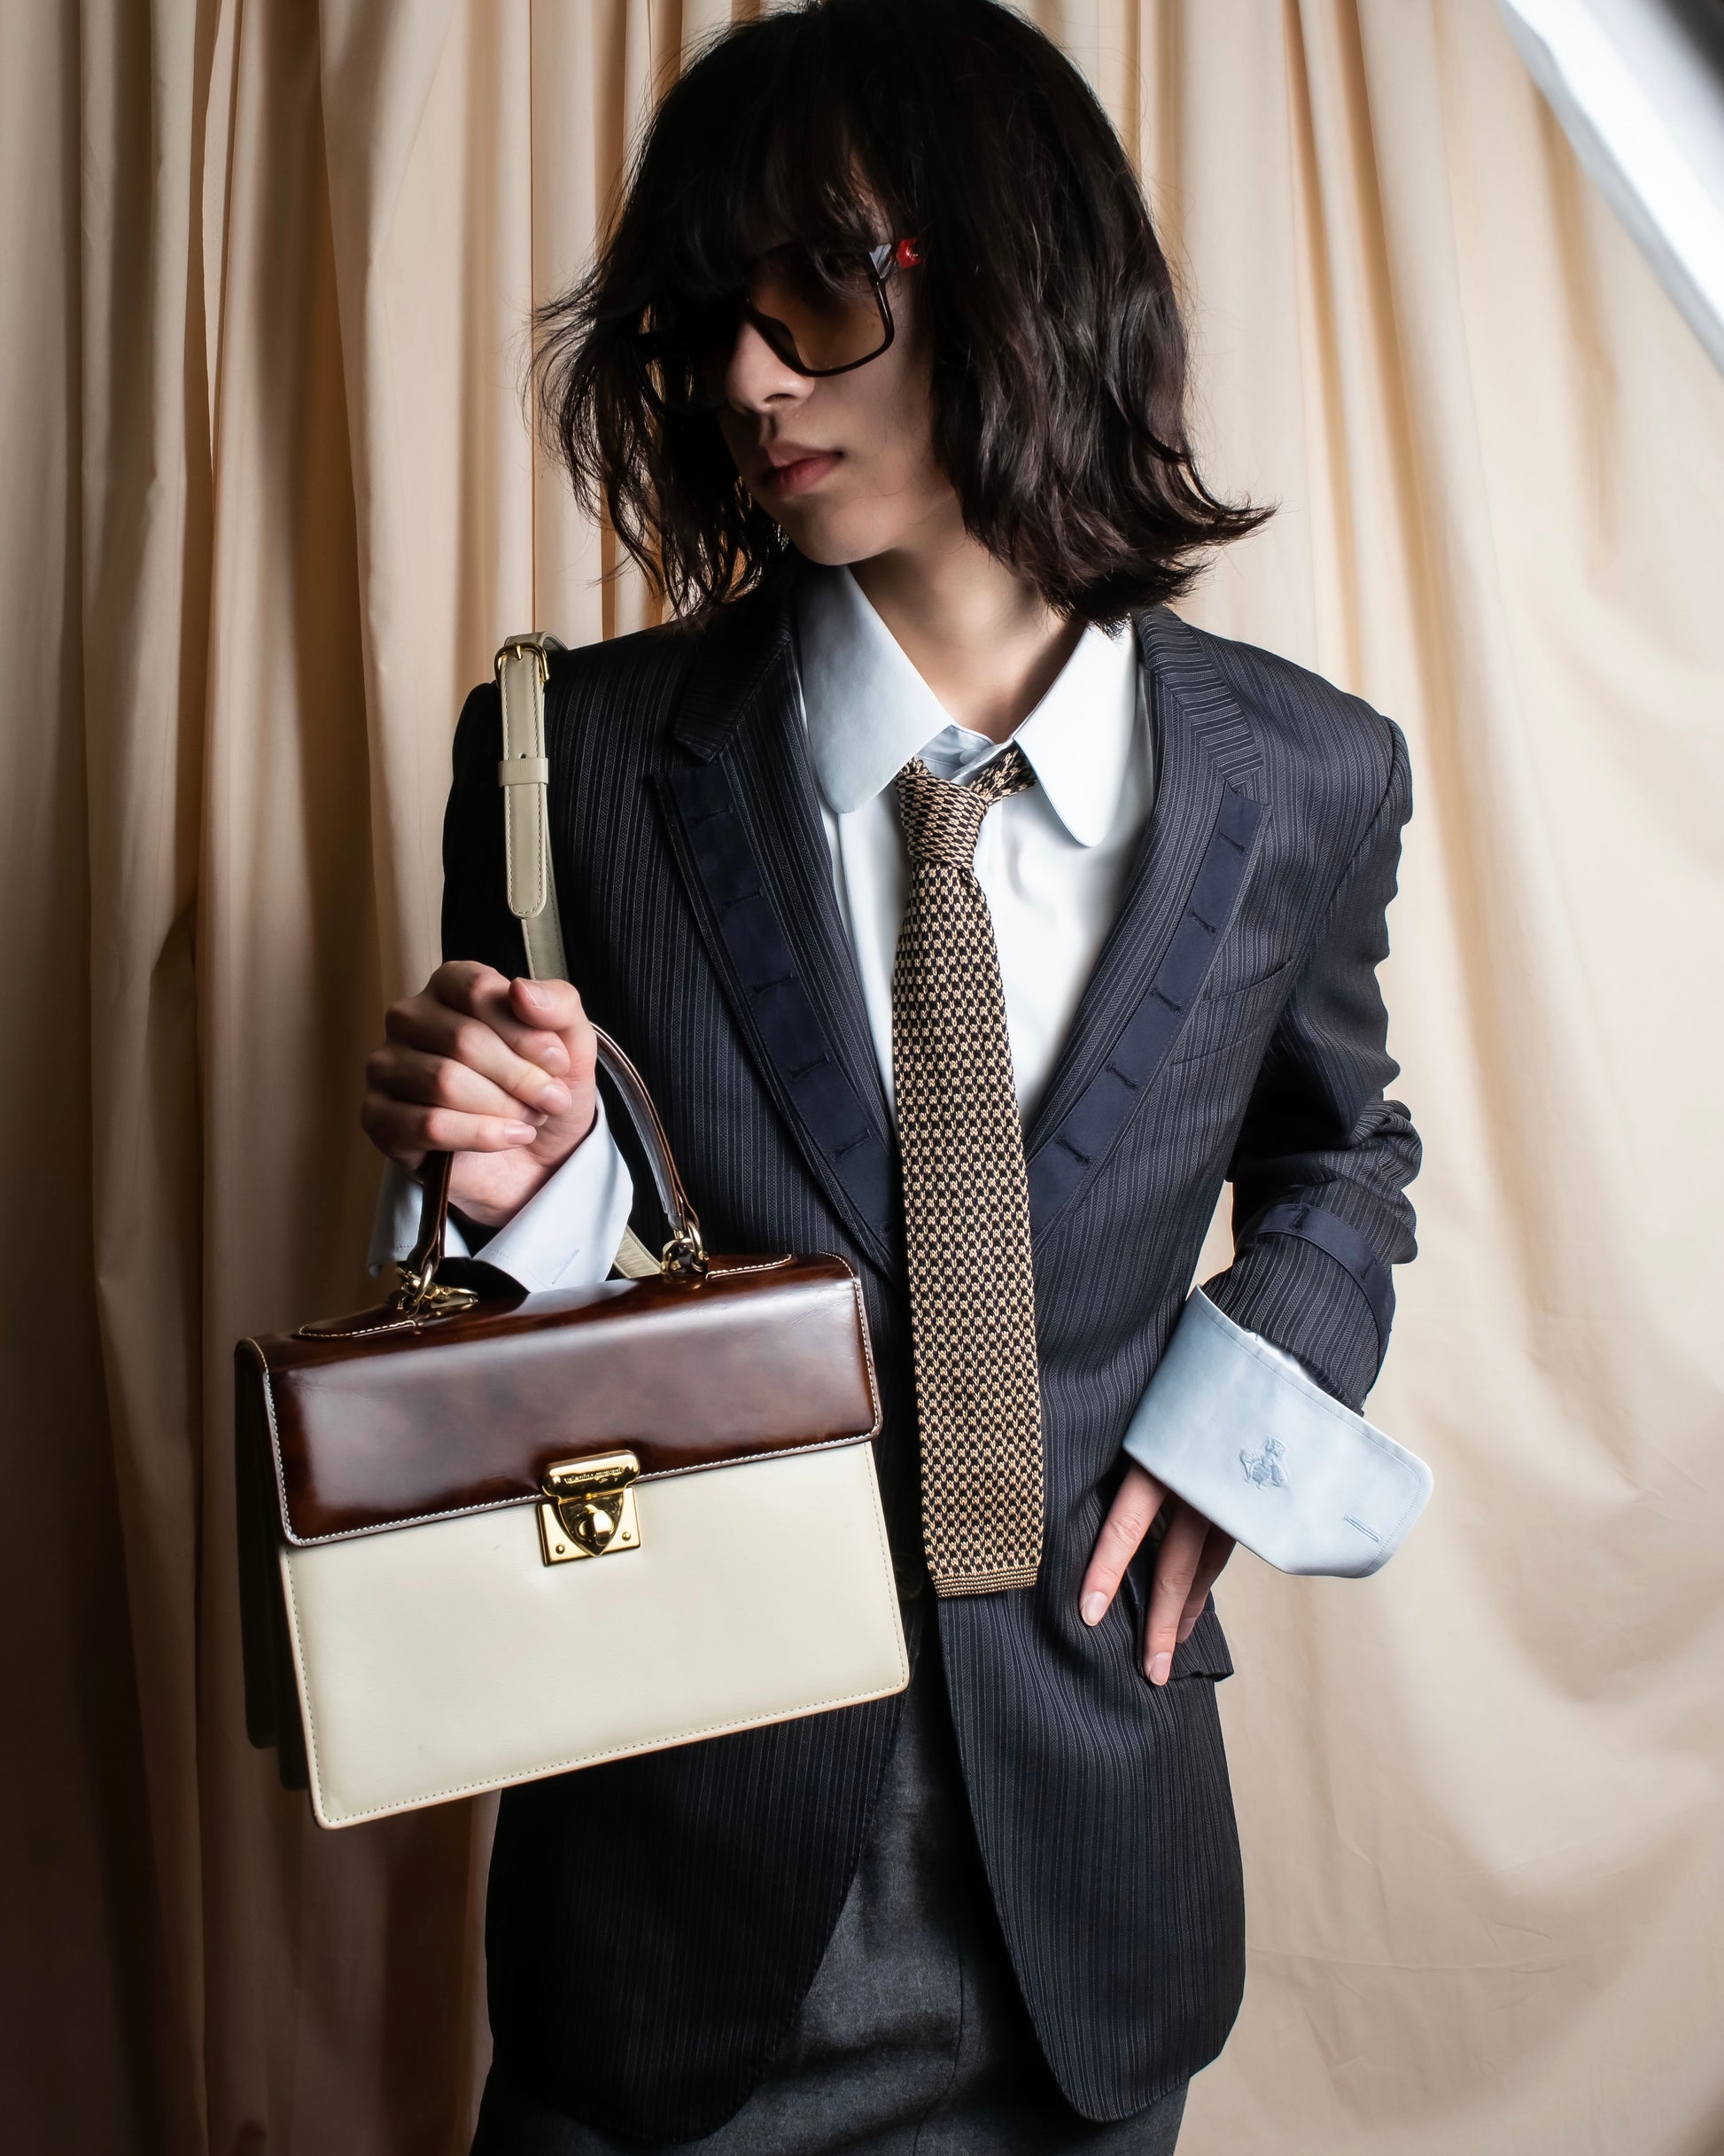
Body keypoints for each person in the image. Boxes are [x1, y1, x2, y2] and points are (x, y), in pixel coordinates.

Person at [360, 2, 1421, 2148]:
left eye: (821, 290)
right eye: (711, 318)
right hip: (670, 1885)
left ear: (1021, 267)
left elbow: (1344, 1153)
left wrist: (1237, 1431)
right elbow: (529, 1336)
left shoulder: (1304, 776)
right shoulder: (578, 760)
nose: (750, 378)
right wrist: (524, 1184)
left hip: (1091, 1895)